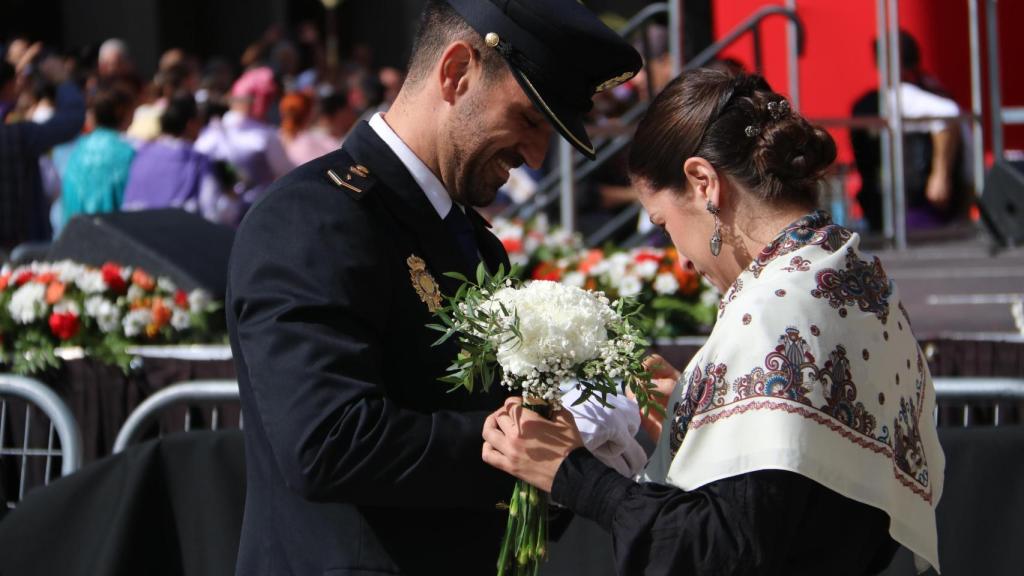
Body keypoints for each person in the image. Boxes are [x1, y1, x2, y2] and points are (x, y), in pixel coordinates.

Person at [225, 0, 641, 574]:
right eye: (528, 119)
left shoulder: (468, 236)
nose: (538, 155)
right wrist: (522, 445)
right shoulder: (313, 219)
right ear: (455, 73)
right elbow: (326, 442)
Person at [482, 70, 945, 575]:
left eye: (664, 223)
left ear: (704, 182)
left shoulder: (773, 308)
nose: (679, 257)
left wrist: (572, 474)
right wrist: (706, 414)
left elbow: (720, 553)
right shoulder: (856, 276)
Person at [851, 30, 968, 231]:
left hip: (918, 203)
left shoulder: (901, 95)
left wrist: (940, 176)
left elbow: (947, 114)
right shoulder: (933, 89)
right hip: (925, 198)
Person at [0, 58, 84, 251]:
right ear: (9, 87)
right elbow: (71, 121)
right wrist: (62, 81)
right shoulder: (17, 135)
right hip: (17, 253)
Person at [122, 94, 240, 225]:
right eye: (200, 121)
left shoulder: (141, 154)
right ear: (191, 124)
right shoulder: (199, 162)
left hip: (135, 232)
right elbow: (212, 214)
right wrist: (232, 196)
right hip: (175, 237)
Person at [194, 65, 293, 221]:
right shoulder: (265, 136)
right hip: (256, 215)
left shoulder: (209, 134)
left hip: (211, 216)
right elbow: (288, 174)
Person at [61, 83, 136, 225]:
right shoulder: (129, 154)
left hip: (73, 237)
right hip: (112, 238)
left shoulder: (77, 150)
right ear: (123, 111)